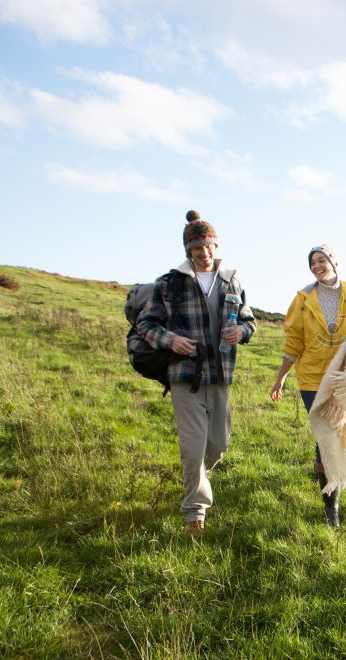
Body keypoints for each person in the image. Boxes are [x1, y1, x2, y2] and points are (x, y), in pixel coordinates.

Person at [137, 210, 256, 535]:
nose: (204, 254)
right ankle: (195, 514)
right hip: (184, 377)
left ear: (216, 246)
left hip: (220, 376)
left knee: (217, 445)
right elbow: (146, 324)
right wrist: (171, 340)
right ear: (188, 251)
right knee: (192, 448)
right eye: (197, 249)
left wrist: (242, 332)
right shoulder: (168, 282)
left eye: (209, 247)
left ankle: (195, 478)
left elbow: (249, 318)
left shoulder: (233, 280)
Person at [270, 244, 346, 526]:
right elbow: (293, 341)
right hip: (313, 378)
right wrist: (281, 377)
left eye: (322, 259)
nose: (317, 265)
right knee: (325, 437)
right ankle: (332, 507)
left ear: (334, 262)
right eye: (312, 262)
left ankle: (339, 480)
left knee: (342, 435)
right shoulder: (303, 299)